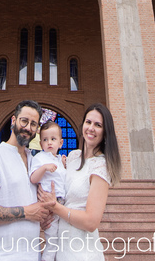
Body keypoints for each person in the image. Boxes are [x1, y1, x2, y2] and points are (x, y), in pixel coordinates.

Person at [0, 100, 55, 261]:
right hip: (0, 255)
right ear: (14, 120)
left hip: (31, 254)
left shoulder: (34, 161)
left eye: (33, 124)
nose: (28, 127)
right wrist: (27, 213)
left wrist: (42, 217)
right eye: (24, 121)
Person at [54, 104, 120, 261]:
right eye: (88, 122)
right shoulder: (72, 157)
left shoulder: (101, 166)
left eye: (98, 125)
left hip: (83, 250)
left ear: (105, 132)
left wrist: (55, 208)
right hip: (62, 244)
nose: (91, 128)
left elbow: (91, 222)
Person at [29, 121, 67, 261]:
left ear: (61, 143)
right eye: (45, 139)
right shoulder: (40, 158)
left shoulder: (59, 160)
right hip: (48, 205)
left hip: (62, 205)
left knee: (60, 239)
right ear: (40, 144)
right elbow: (33, 178)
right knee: (52, 240)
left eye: (53, 139)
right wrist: (44, 168)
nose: (49, 142)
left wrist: (63, 166)